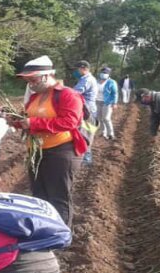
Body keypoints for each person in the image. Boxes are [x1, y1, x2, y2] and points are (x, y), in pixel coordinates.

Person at [10, 55, 86, 226]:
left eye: (33, 78)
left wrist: (33, 123)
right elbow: (28, 119)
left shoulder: (67, 94)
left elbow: (70, 122)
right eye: (27, 80)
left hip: (60, 152)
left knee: (58, 197)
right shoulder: (34, 98)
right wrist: (16, 121)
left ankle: (60, 237)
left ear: (47, 75)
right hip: (36, 152)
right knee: (39, 197)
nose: (30, 83)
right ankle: (43, 232)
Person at [71, 60, 98, 165]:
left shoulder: (87, 80)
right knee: (86, 133)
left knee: (86, 134)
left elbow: (75, 92)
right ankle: (85, 156)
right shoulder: (86, 79)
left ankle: (86, 157)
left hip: (88, 112)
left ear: (83, 69)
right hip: (88, 110)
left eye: (77, 69)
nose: (76, 72)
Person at [96, 67, 119, 140]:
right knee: (99, 118)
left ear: (108, 74)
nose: (103, 74)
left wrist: (114, 103)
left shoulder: (112, 82)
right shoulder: (97, 81)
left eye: (105, 73)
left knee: (106, 118)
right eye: (103, 73)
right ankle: (103, 132)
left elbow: (115, 93)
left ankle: (110, 134)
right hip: (97, 101)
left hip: (107, 102)